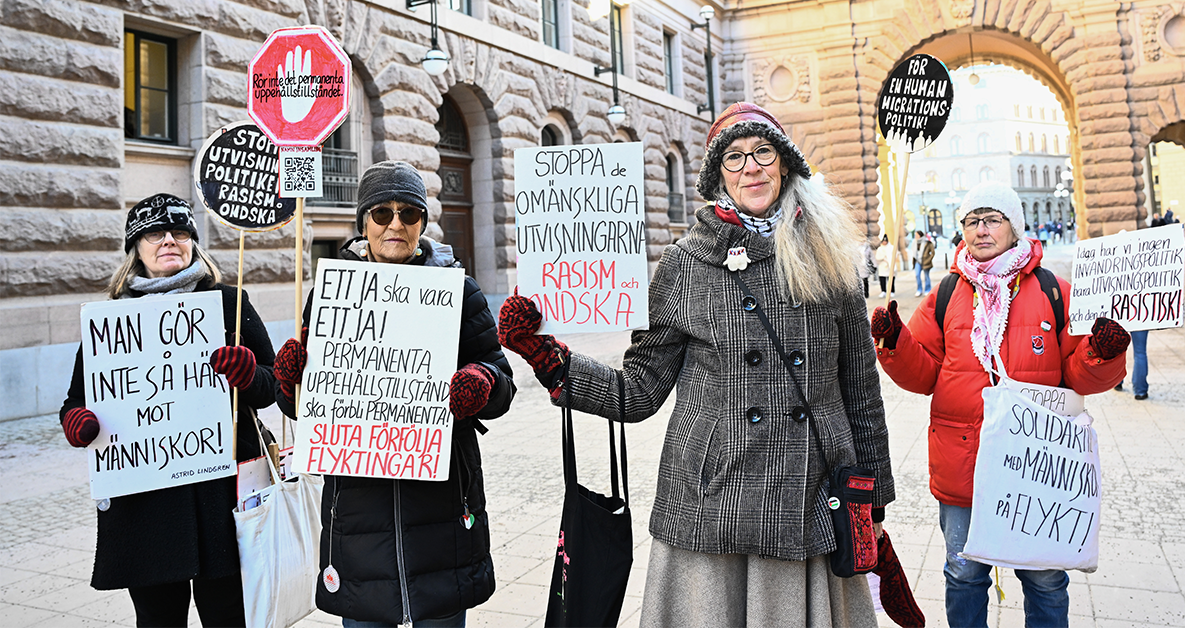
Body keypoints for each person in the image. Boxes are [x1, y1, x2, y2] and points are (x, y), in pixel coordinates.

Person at [497, 102, 897, 627]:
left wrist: (873, 495)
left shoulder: (831, 254)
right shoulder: (685, 261)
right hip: (712, 499)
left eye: (762, 152)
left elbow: (860, 391)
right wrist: (549, 359)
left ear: (784, 163)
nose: (750, 167)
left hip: (810, 494)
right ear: (719, 176)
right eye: (733, 157)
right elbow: (639, 389)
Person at [870, 180, 1130, 628]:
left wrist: (1102, 353)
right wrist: (895, 343)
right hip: (963, 464)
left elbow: (1079, 375)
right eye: (971, 221)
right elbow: (925, 374)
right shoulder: (947, 294)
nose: (981, 230)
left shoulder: (1055, 291)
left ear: (1015, 227)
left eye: (992, 219)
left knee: (1045, 580)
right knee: (964, 574)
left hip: (1036, 467)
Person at [271, 161, 516, 628]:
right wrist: (291, 380)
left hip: (441, 510)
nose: (396, 224)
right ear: (363, 222)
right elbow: (303, 408)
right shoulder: (330, 294)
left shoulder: (459, 292)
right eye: (382, 213)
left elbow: (502, 387)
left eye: (409, 213)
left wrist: (480, 384)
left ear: (423, 222)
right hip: (359, 517)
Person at [58, 193, 278, 627]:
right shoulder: (112, 320)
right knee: (158, 619)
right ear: (136, 248)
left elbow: (271, 388)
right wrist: (78, 423)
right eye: (155, 233)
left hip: (221, 501)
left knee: (230, 615)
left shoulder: (230, 303)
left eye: (179, 232)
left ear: (194, 242)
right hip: (146, 506)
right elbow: (76, 401)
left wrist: (248, 374)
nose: (169, 241)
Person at [914, 230, 934, 297]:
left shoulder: (927, 243)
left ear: (920, 235)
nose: (915, 237)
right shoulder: (915, 243)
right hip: (917, 261)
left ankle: (927, 289)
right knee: (917, 275)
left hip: (925, 261)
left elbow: (932, 252)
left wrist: (928, 259)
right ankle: (919, 290)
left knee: (926, 276)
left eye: (917, 235)